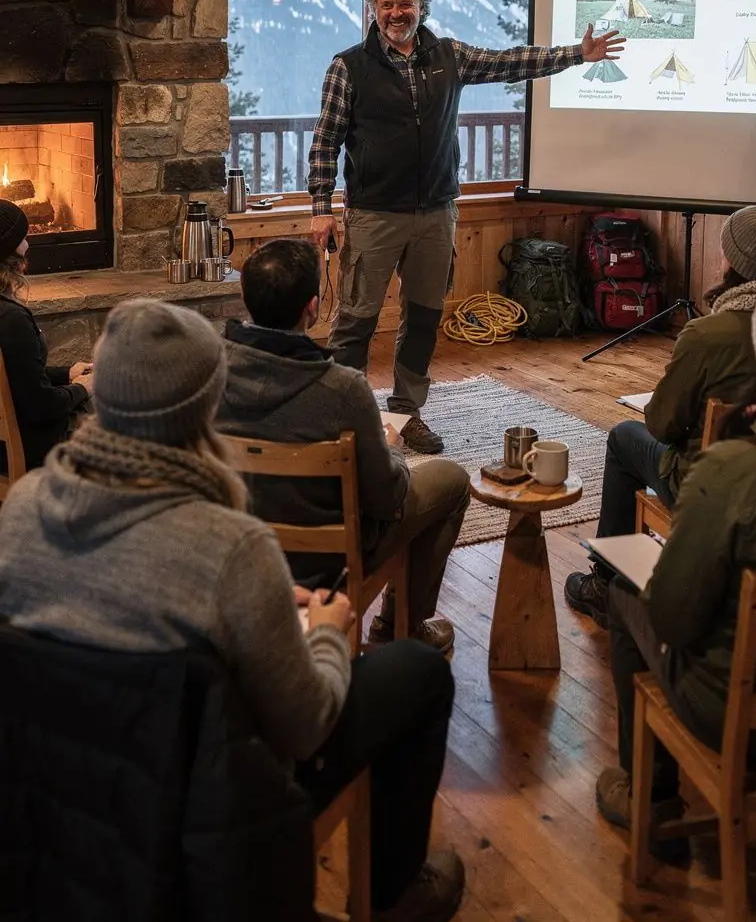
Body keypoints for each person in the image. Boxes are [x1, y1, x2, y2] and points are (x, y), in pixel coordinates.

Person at [0, 299, 465, 922]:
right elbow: (304, 727)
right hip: (202, 804)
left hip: (60, 784)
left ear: (98, 392)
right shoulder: (231, 545)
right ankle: (397, 893)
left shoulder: (23, 506)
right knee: (420, 672)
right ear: (204, 409)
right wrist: (327, 634)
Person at [309, 0, 625, 454]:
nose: (397, 13)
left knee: (424, 318)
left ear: (421, 8)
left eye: (406, 3)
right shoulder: (347, 66)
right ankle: (344, 419)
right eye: (387, 4)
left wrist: (576, 56)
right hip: (373, 215)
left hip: (437, 212)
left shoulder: (450, 56)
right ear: (373, 10)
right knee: (356, 321)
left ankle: (406, 413)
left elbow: (512, 62)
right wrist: (320, 206)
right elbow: (325, 140)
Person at [596, 268, 756, 831]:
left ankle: (652, 799)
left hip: (743, 716)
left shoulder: (733, 472)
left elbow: (675, 616)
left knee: (626, 592)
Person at [218, 238, 470, 654]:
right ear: (313, 308)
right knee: (453, 480)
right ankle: (398, 627)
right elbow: (387, 497)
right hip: (325, 566)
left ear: (246, 299)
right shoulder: (343, 388)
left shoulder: (208, 369)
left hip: (238, 554)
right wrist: (391, 449)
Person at [565, 204, 756, 628]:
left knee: (624, 437)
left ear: (732, 262)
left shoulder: (708, 335)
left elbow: (663, 425)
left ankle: (604, 584)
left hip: (706, 483)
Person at [0, 198, 93, 469]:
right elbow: (41, 406)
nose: (28, 245)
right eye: (22, 238)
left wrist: (67, 374)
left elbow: (14, 376)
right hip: (29, 449)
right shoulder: (11, 319)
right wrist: (82, 389)